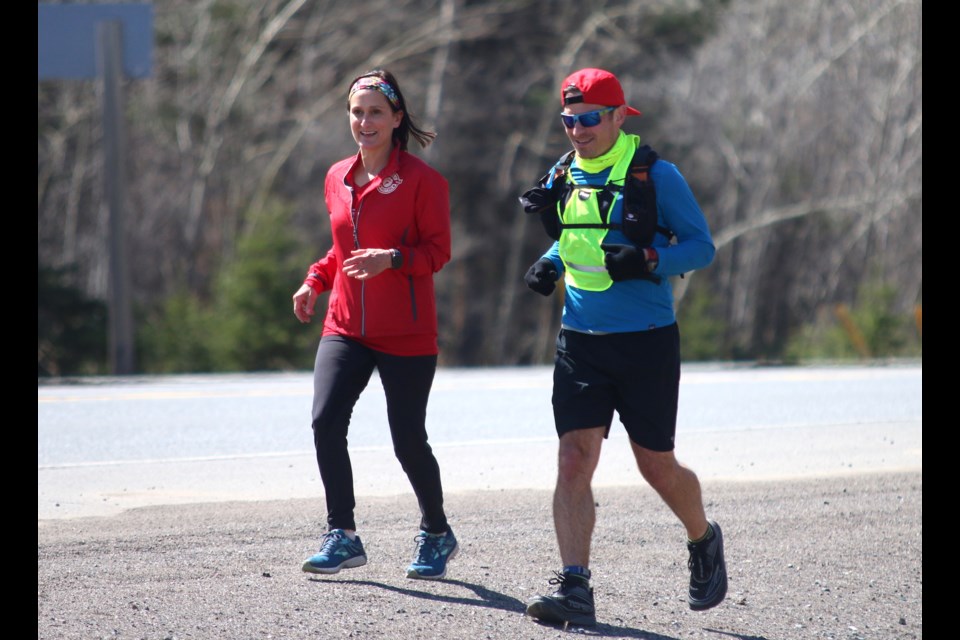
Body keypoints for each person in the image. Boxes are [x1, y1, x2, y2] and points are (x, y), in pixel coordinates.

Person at [519, 68, 727, 626]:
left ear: (618, 115)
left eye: (589, 119)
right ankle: (575, 586)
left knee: (655, 466)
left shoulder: (658, 175)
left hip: (646, 344)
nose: (578, 130)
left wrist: (651, 260)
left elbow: (702, 248)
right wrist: (550, 264)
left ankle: (703, 538)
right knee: (573, 460)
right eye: (569, 120)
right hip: (580, 342)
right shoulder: (564, 172)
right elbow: (573, 236)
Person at [292, 69, 457, 581]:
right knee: (325, 421)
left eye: (376, 112)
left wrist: (392, 259)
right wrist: (314, 282)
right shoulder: (337, 176)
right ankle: (342, 534)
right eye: (357, 112)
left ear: (396, 118)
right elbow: (340, 249)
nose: (365, 121)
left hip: (406, 333)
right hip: (345, 325)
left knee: (407, 439)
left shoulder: (424, 182)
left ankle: (436, 533)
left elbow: (437, 253)